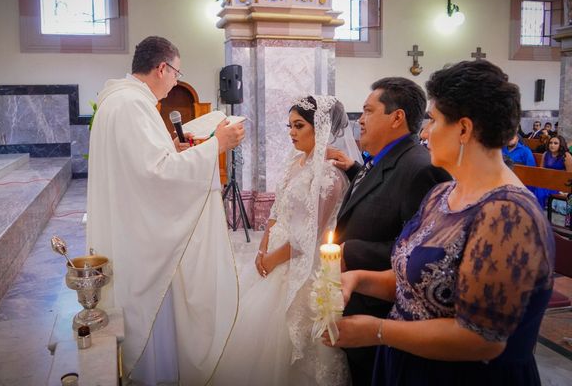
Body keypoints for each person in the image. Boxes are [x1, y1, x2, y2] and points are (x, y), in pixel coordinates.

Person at [328, 60, 554, 385]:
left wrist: (378, 330)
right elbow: (423, 282)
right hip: (408, 365)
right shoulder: (443, 194)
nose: (424, 132)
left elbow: (481, 339)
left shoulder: (507, 214)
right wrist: (358, 279)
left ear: (463, 129)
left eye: (432, 120)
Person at [86, 36, 245, 385]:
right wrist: (218, 144)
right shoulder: (132, 106)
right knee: (150, 318)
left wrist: (173, 148)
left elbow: (143, 166)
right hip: (141, 241)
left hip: (129, 225)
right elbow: (157, 176)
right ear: (162, 68)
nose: (175, 80)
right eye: (175, 72)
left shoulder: (119, 100)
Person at [211, 96, 356, 386]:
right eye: (289, 125)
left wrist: (273, 258)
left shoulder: (330, 176)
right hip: (272, 256)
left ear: (321, 128)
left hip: (299, 264)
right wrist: (263, 247)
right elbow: (277, 211)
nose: (291, 132)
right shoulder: (295, 163)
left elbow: (307, 236)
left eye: (299, 126)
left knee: (290, 342)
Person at [326, 78, 451, 385]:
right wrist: (355, 170)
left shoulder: (421, 169)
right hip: (358, 298)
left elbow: (420, 251)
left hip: (382, 311)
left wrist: (350, 251)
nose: (360, 120)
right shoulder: (384, 159)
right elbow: (382, 195)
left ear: (397, 118)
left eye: (368, 111)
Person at [535, 135, 572, 209]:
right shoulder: (546, 154)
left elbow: (570, 175)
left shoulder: (566, 156)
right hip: (546, 181)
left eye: (555, 143)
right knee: (532, 188)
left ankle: (538, 212)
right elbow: (541, 170)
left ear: (560, 145)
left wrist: (565, 190)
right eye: (550, 143)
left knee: (539, 191)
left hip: (559, 184)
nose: (552, 145)